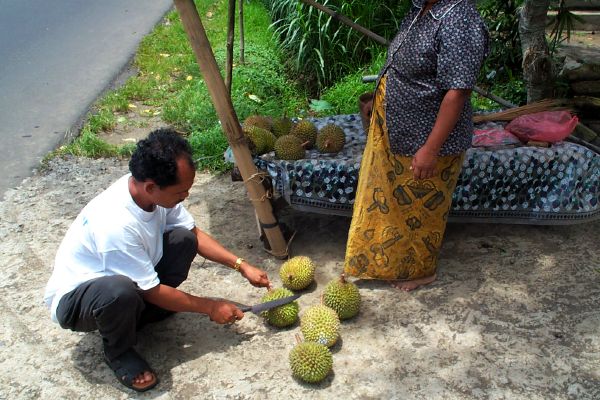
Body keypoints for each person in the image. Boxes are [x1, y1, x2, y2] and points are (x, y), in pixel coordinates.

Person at [44, 128, 271, 392]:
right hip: (79, 301)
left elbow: (194, 233)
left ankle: (143, 315)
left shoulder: (149, 192)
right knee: (119, 292)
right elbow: (149, 289)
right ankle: (118, 351)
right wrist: (210, 307)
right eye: (180, 192)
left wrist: (241, 265)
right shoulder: (115, 223)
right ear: (151, 187)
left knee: (184, 239)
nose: (185, 197)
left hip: (131, 282)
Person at [344, 0, 489, 290]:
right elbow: (405, 63)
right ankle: (387, 263)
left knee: (420, 211)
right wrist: (381, 96)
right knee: (392, 205)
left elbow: (457, 93)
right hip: (399, 130)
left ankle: (421, 270)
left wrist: (430, 149)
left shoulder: (459, 17)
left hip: (427, 138)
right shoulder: (421, 8)